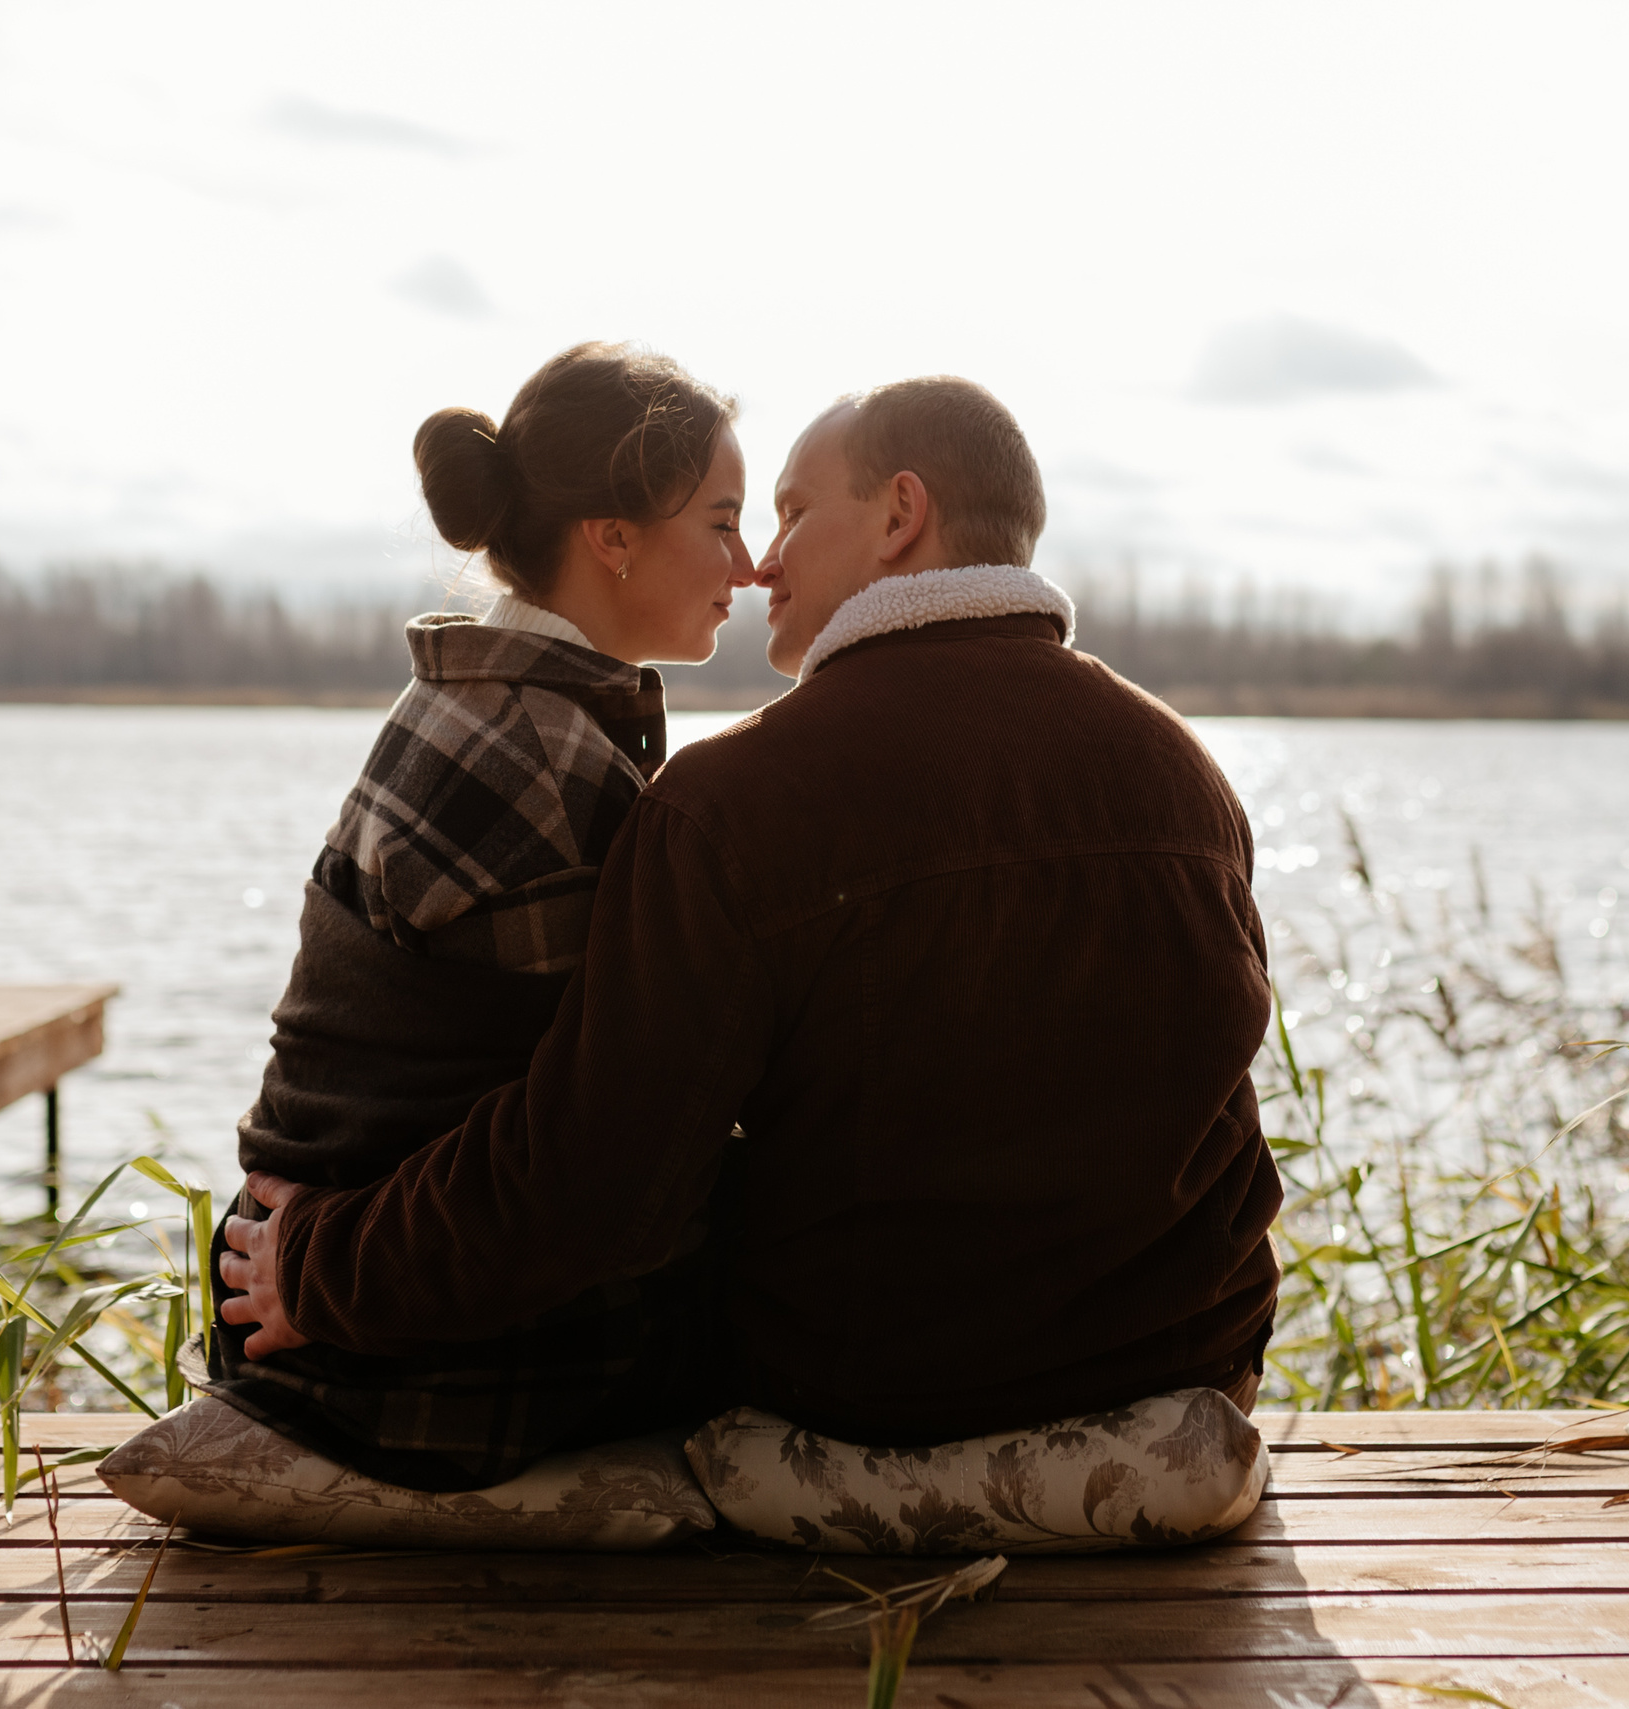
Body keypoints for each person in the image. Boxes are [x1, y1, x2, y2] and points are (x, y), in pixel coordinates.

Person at [224, 376, 1281, 1447]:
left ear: (900, 515)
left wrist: (321, 1264)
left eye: (789, 512)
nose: (761, 562)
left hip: (880, 1399)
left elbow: (596, 1171)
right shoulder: (1187, 770)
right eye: (736, 522)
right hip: (1191, 1361)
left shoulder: (730, 801)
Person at [203, 341, 756, 1490]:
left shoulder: (477, 701)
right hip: (410, 1369)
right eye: (721, 521)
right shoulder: (548, 756)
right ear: (613, 536)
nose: (747, 565)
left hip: (316, 1320)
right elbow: (592, 1164)